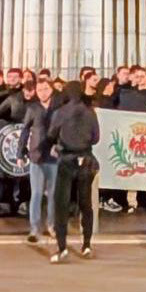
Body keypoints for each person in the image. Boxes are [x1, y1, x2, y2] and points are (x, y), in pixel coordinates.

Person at [44, 83, 100, 264]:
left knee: (62, 204)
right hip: (85, 159)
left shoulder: (60, 112)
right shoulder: (90, 112)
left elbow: (51, 134)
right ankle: (87, 245)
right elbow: (96, 138)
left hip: (66, 160)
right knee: (86, 204)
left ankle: (62, 247)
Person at [18, 79, 60, 243]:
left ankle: (52, 225)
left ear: (51, 90)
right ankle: (34, 227)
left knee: (53, 194)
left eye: (45, 89)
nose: (43, 92)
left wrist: (59, 147)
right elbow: (25, 131)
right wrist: (20, 153)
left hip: (54, 157)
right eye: (40, 89)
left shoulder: (58, 109)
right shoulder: (32, 108)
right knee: (36, 193)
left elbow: (63, 130)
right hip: (36, 156)